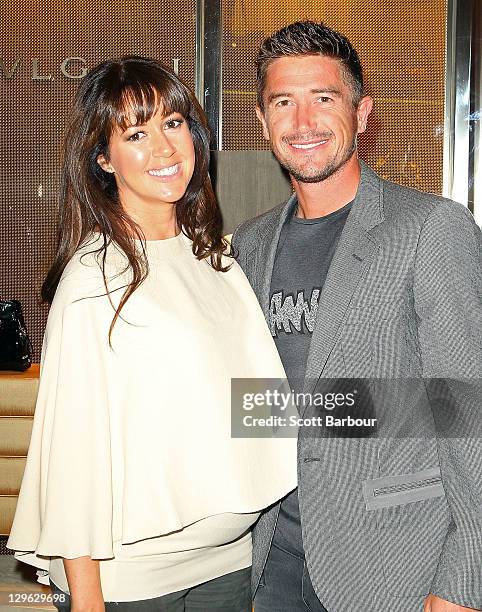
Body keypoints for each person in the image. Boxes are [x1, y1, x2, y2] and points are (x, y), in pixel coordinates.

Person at [7, 56, 297, 611]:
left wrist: (385, 413)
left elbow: (246, 402)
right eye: (136, 133)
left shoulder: (216, 257)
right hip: (130, 583)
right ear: (103, 159)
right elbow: (74, 448)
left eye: (173, 122)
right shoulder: (96, 275)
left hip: (228, 563)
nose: (164, 148)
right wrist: (88, 596)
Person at [232, 21, 482, 612]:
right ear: (264, 123)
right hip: (272, 559)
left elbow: (466, 407)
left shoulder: (429, 229)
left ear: (362, 113)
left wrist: (463, 578)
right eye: (283, 103)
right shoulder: (250, 244)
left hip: (395, 562)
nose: (303, 122)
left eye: (324, 98)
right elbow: (260, 402)